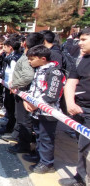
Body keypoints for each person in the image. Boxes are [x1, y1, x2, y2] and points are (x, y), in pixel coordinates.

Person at [23, 45, 65, 173]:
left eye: (31, 59)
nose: (29, 62)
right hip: (37, 111)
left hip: (48, 112)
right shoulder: (39, 70)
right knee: (39, 136)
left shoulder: (54, 72)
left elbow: (51, 95)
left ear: (42, 58)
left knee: (46, 138)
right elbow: (34, 88)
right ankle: (39, 156)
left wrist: (36, 104)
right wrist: (27, 100)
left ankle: (47, 163)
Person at [61, 28, 90, 186]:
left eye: (84, 39)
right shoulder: (83, 59)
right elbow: (71, 82)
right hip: (81, 110)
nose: (79, 43)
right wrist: (70, 103)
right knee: (82, 147)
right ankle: (80, 177)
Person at [0, 38, 22, 135]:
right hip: (8, 85)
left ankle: (10, 127)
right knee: (9, 106)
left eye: (5, 47)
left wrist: (13, 85)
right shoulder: (10, 56)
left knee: (11, 108)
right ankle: (9, 124)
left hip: (11, 87)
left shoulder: (14, 58)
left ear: (10, 47)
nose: (3, 48)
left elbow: (13, 72)